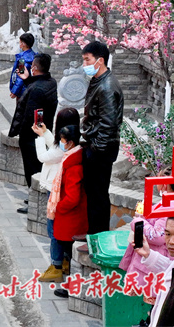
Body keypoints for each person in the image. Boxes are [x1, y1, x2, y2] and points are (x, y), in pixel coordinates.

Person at [119, 168, 174, 324]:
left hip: (159, 262)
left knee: (158, 305)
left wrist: (138, 221)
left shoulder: (171, 205)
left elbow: (157, 235)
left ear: (164, 184)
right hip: (161, 260)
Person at [80, 40, 124, 235]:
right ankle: (91, 233)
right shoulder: (98, 81)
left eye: (87, 60)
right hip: (96, 145)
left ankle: (97, 237)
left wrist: (95, 149)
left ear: (100, 60)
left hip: (101, 149)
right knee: (93, 192)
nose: (85, 64)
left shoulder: (107, 86)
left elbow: (108, 123)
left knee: (98, 194)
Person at [35, 108, 81, 282]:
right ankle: (63, 262)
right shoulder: (72, 144)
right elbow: (56, 145)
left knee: (54, 231)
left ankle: (56, 264)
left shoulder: (69, 156)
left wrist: (40, 137)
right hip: (58, 194)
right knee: (59, 231)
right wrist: (45, 132)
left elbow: (44, 156)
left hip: (57, 196)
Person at [8, 53, 58, 213]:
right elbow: (37, 88)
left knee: (33, 170)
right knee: (37, 168)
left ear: (35, 68)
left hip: (32, 137)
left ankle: (34, 202)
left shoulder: (37, 90)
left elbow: (30, 115)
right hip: (44, 132)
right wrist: (27, 79)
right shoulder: (50, 82)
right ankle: (33, 196)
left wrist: (21, 133)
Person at [49, 125, 87, 298]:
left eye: (63, 140)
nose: (61, 143)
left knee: (71, 253)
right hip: (69, 218)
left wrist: (58, 206)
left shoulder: (73, 166)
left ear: (70, 143)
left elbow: (72, 198)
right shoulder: (70, 159)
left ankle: (71, 287)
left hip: (70, 219)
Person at [9, 33, 36, 99]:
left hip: (22, 90)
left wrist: (14, 91)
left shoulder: (23, 59)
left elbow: (21, 75)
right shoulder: (34, 55)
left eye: (20, 42)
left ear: (23, 44)